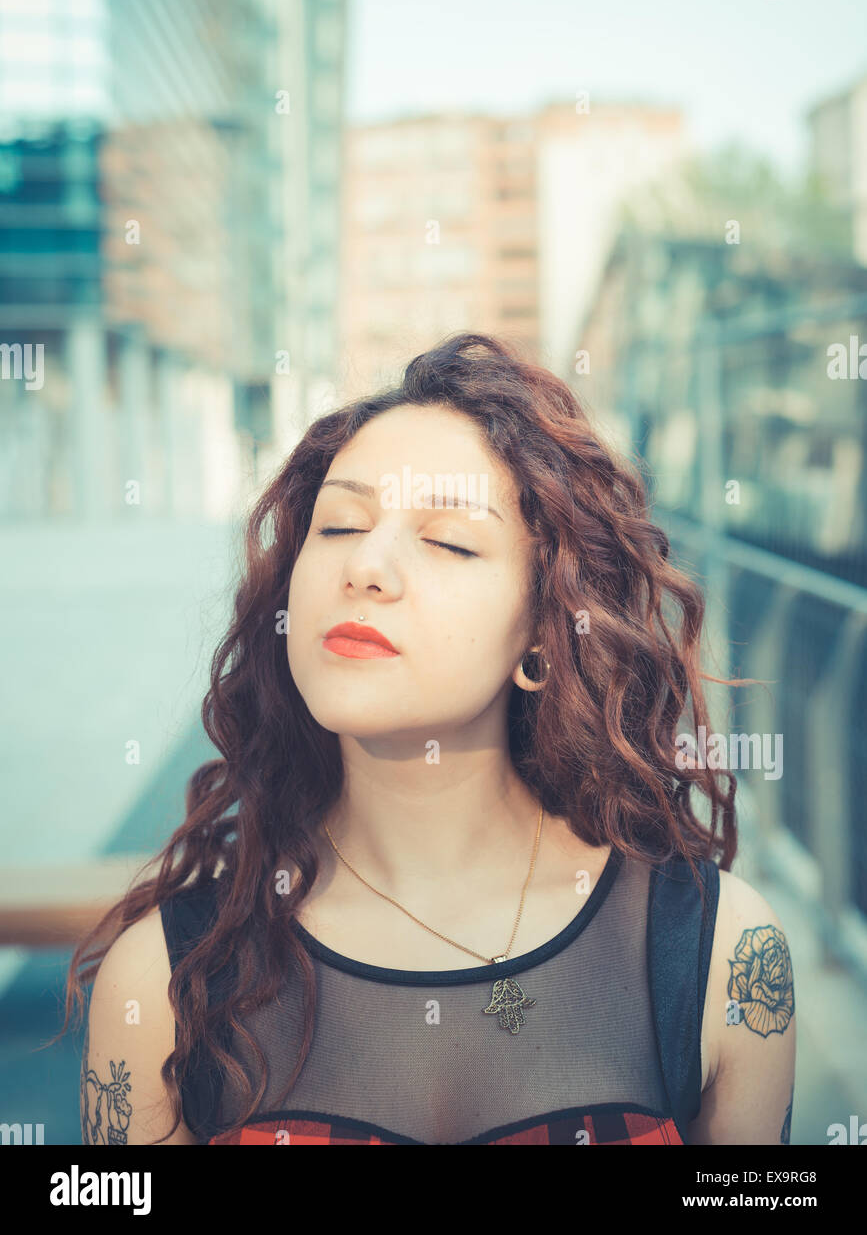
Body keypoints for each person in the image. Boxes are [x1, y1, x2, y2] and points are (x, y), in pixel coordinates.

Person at [58, 332, 795, 1145]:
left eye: (447, 541)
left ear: (545, 635)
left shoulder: (719, 955)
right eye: (338, 526)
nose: (366, 567)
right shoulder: (164, 981)